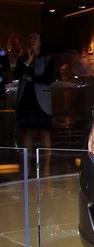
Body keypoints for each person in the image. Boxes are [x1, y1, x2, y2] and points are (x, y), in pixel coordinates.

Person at [13, 31, 55, 176]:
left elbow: (48, 78)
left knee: (44, 133)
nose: (31, 40)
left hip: (42, 100)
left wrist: (32, 78)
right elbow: (17, 74)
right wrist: (28, 60)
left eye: (35, 38)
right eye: (29, 38)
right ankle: (27, 170)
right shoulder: (23, 58)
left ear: (41, 42)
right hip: (26, 98)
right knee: (27, 133)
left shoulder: (48, 58)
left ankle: (46, 170)